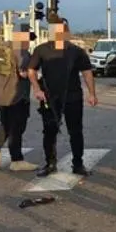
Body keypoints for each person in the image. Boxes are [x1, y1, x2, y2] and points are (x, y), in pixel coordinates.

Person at [27, 20, 97, 177]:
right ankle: (50, 163)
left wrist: (92, 93)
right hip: (49, 97)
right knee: (49, 131)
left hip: (73, 96)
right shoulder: (41, 50)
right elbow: (31, 70)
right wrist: (36, 89)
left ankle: (78, 164)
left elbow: (87, 72)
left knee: (76, 131)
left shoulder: (76, 51)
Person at [0, 32, 37, 171]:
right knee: (17, 128)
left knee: (6, 124)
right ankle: (17, 160)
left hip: (0, 95)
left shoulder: (0, 48)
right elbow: (24, 73)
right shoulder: (22, 52)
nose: (29, 43)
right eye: (28, 39)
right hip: (16, 96)